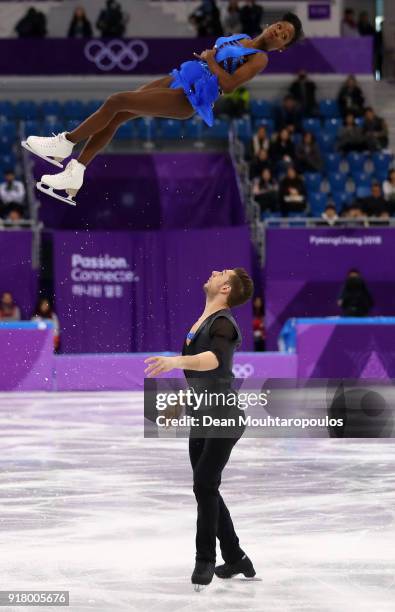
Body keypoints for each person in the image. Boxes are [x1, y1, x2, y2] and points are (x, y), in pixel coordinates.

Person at [23, 14, 304, 205]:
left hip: (191, 96)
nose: (279, 32)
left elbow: (229, 85)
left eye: (285, 36)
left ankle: (65, 144)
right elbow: (215, 59)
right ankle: (76, 171)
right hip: (183, 76)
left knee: (116, 101)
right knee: (118, 115)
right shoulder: (241, 36)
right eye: (281, 26)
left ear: (282, 47)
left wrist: (211, 61)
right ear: (272, 23)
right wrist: (208, 61)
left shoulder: (260, 59)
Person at [144, 268, 255, 590]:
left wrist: (174, 362)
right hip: (203, 415)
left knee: (204, 485)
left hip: (224, 416)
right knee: (206, 487)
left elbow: (216, 360)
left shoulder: (223, 323)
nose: (212, 271)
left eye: (221, 273)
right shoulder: (202, 323)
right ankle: (235, 557)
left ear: (224, 288)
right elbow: (201, 374)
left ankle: (205, 558)